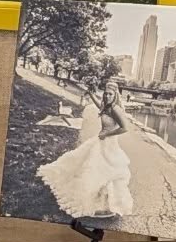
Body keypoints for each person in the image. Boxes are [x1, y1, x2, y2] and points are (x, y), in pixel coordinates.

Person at [37, 77, 134, 220]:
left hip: (109, 144)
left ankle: (106, 204)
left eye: (110, 94)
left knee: (105, 172)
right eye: (106, 93)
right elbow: (99, 106)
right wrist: (91, 94)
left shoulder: (115, 109)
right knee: (92, 167)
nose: (107, 96)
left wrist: (107, 134)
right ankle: (98, 200)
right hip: (100, 141)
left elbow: (124, 128)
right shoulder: (106, 106)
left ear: (115, 96)